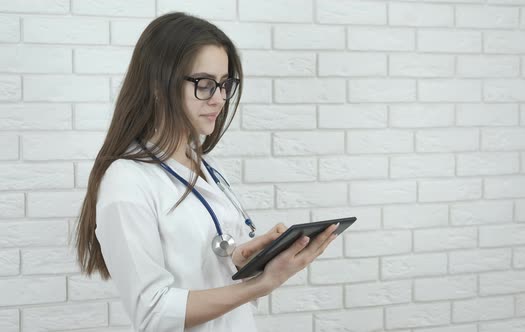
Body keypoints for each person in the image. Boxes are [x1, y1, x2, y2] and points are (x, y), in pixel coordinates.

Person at [75, 12, 338, 332]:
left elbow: (205, 269)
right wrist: (260, 284)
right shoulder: (127, 181)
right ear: (159, 85)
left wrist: (243, 260)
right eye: (205, 84)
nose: (220, 98)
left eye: (225, 84)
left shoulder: (204, 169)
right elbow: (152, 312)